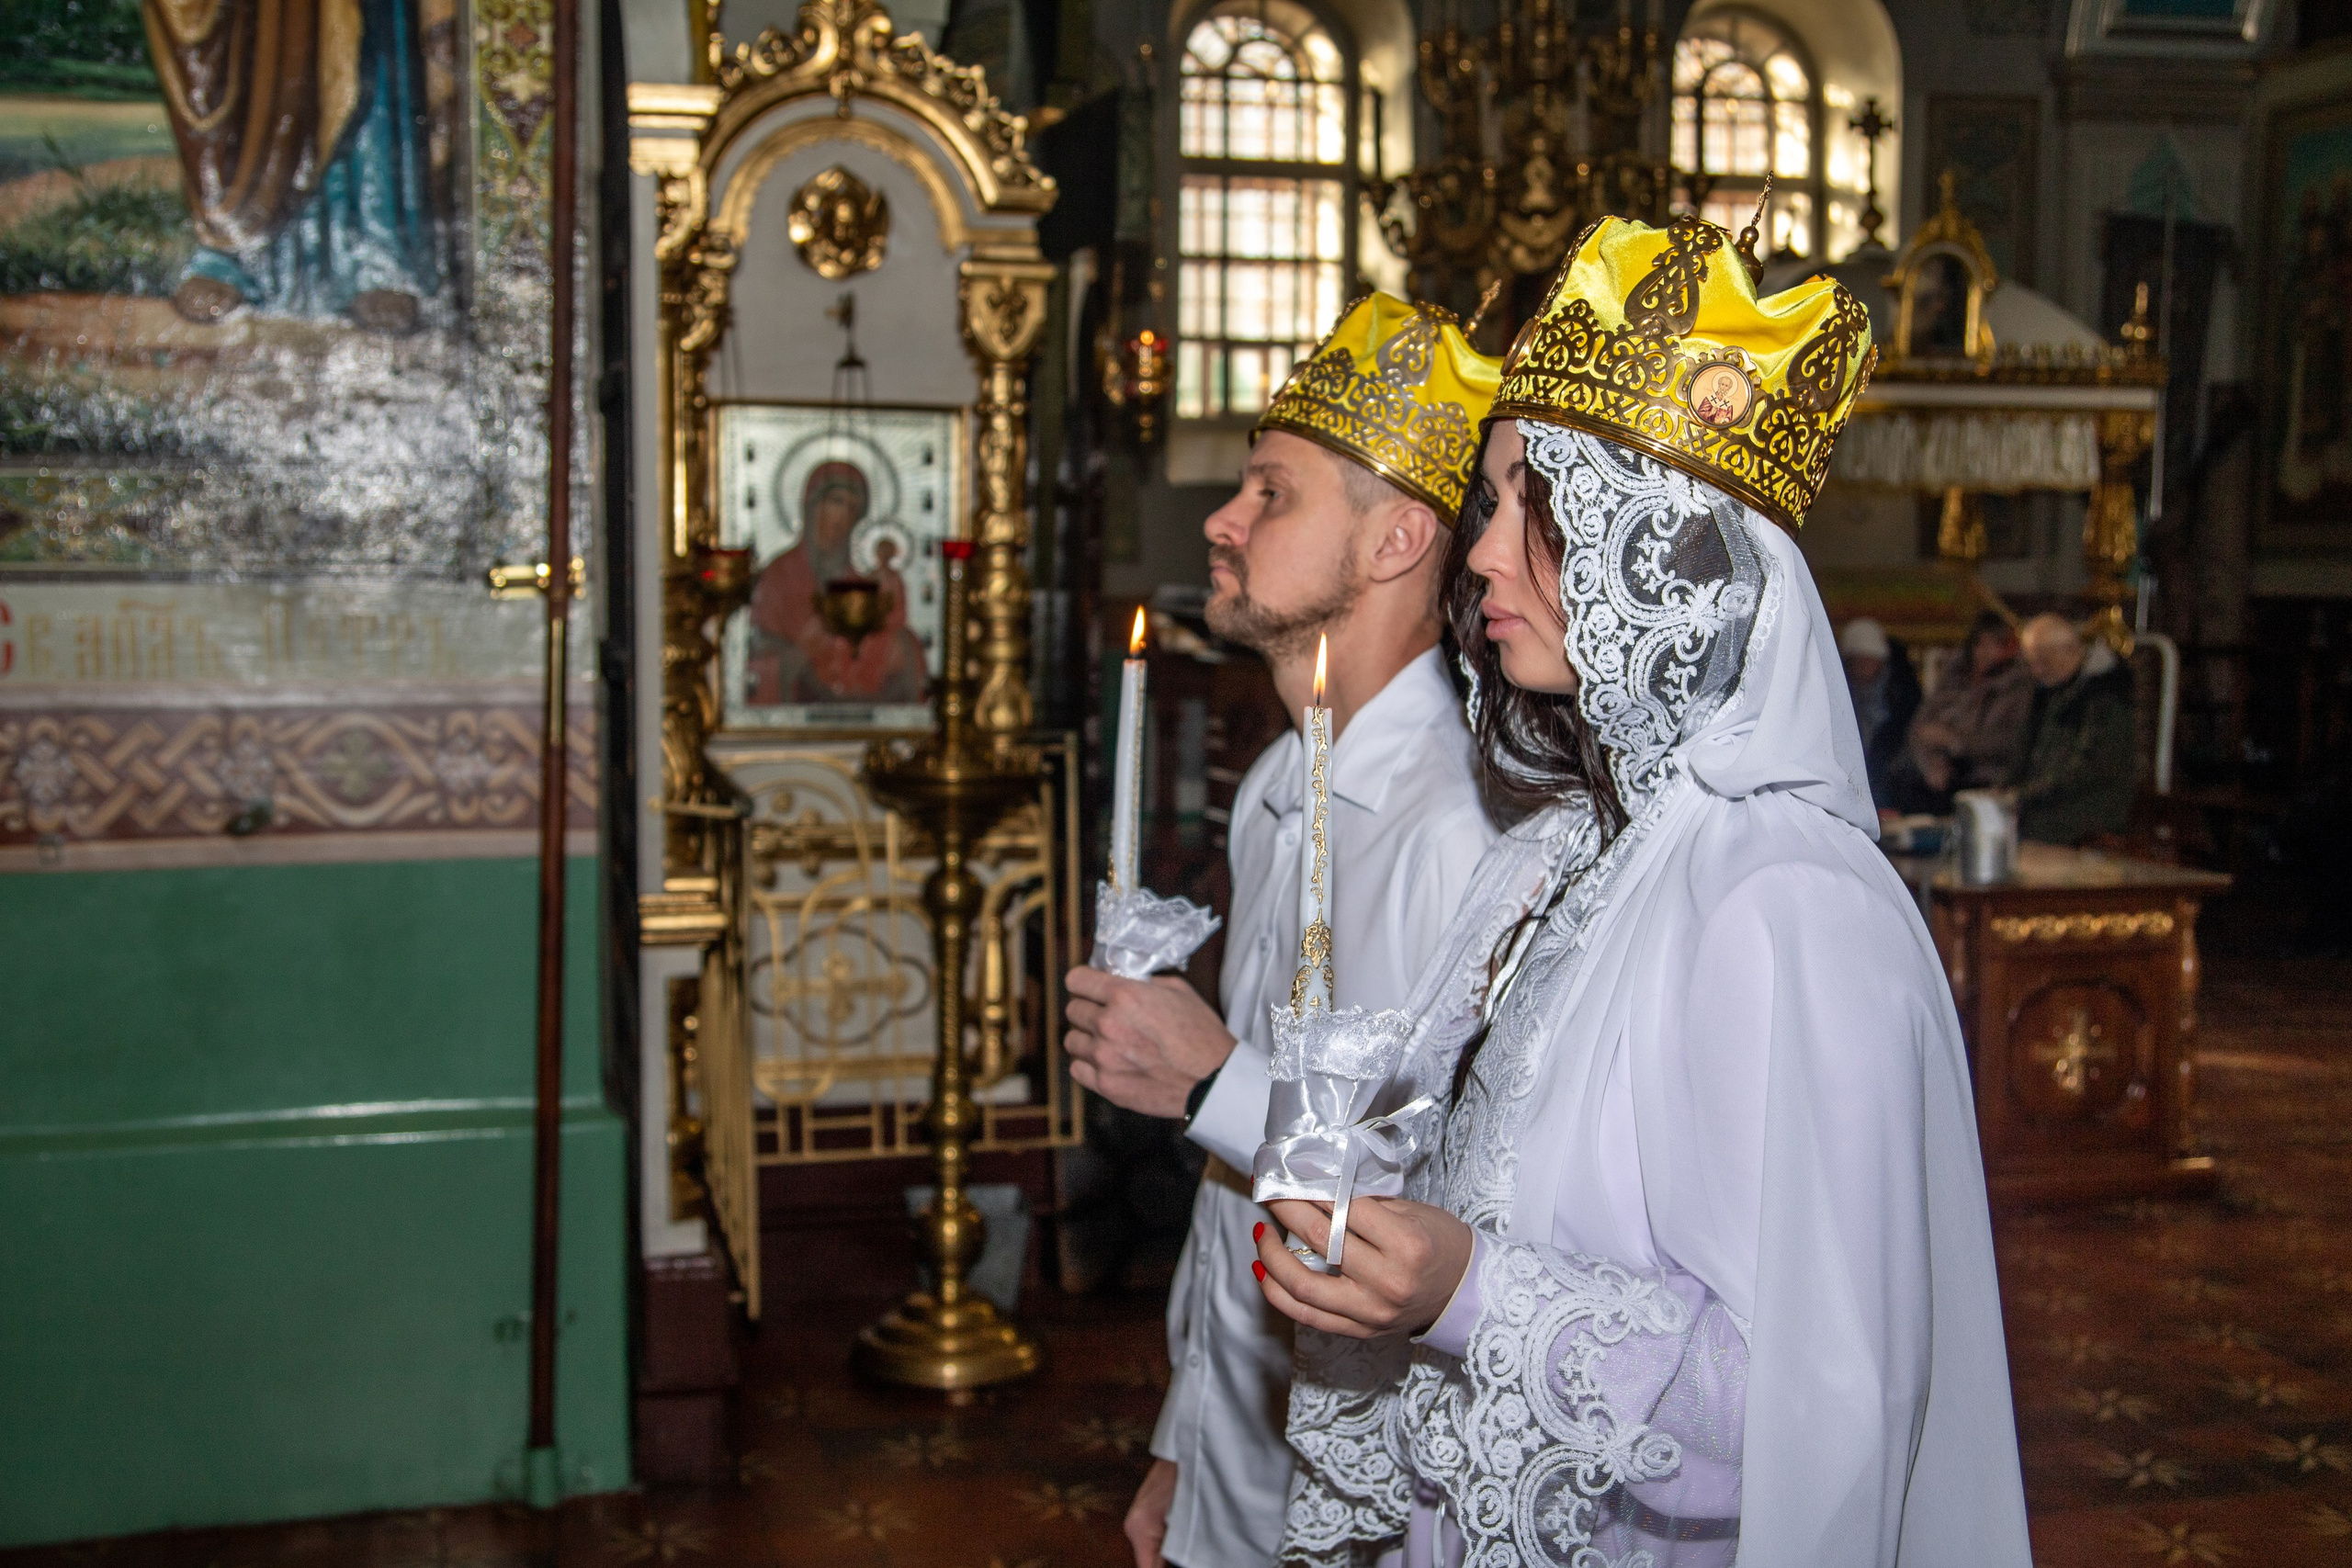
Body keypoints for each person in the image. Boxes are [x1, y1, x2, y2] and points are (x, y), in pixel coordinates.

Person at [1255, 215, 2031, 1567]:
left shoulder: (1788, 907)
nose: (1482, 554)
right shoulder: (1565, 849)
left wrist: (1468, 1291)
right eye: (1489, 505)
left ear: (1660, 551)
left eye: (1537, 507)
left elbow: (1814, 1409)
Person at [1062, 294, 1502, 1568]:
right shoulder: (1275, 785)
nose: (1222, 518)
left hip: (1373, 1472)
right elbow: (1229, 1191)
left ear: (1396, 538)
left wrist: (1209, 1079)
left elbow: (1437, 1202)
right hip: (1241, 1435)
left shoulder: (1456, 828)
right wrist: (1182, 1441)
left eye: (1272, 493)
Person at [745, 461, 928, 706]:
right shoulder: (780, 574)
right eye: (836, 502)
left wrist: (887, 598)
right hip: (799, 696)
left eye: (853, 508)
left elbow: (881, 630)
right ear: (811, 506)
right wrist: (803, 649)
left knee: (905, 644)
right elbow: (759, 650)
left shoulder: (859, 580)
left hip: (856, 693)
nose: (843, 517)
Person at [1888, 610, 2033, 816]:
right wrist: (1931, 763)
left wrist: (1957, 742)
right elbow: (1920, 727)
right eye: (1979, 644)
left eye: (1993, 645)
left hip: (1987, 778)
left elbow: (2010, 740)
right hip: (1941, 774)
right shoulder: (1954, 679)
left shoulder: (2018, 688)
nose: (1985, 652)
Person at [2010, 612, 2137, 845]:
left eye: (2043, 661)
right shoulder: (2051, 693)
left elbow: (2089, 768)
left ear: (2068, 651)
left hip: (2085, 814)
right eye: (2032, 663)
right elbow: (2026, 750)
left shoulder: (2104, 696)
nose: (2037, 671)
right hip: (2047, 807)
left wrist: (2024, 795)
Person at [1838, 615, 1920, 808]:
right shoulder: (1839, 694)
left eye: (1869, 660)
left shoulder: (1902, 694)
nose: (1863, 667)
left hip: (1894, 780)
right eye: (1857, 661)